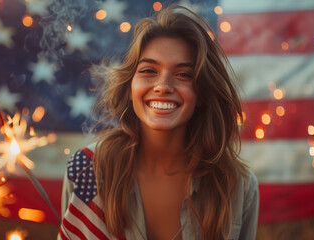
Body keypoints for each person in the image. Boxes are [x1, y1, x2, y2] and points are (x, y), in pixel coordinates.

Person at [59, 5, 259, 240]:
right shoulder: (86, 168)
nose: (163, 86)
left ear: (203, 93)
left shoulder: (239, 185)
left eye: (183, 74)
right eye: (148, 70)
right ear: (130, 85)